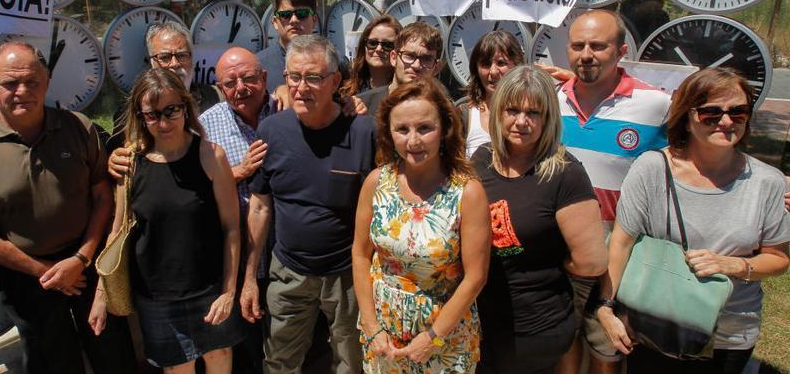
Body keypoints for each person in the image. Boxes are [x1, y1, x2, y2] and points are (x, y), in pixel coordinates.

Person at [0, 42, 136, 374]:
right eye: (10, 83)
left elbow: (103, 196)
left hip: (88, 267)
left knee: (114, 354)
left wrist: (81, 259)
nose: (22, 91)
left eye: (32, 81)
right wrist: (45, 271)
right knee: (51, 360)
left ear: (46, 82)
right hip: (26, 279)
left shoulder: (77, 127)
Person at [595, 68, 790, 374]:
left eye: (738, 112)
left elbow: (778, 259)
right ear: (687, 116)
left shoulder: (768, 182)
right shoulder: (651, 169)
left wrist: (734, 265)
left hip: (729, 333)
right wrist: (605, 307)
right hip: (656, 321)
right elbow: (620, 243)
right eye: (711, 113)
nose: (726, 122)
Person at [89, 68, 245, 373]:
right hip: (157, 297)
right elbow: (117, 232)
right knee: (177, 368)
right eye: (152, 114)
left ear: (186, 107)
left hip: (209, 289)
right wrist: (100, 296)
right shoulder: (131, 163)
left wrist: (228, 292)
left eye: (171, 110)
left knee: (219, 358)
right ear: (140, 116)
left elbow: (231, 229)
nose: (163, 123)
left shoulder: (211, 156)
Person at [241, 35, 376, 374]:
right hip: (288, 271)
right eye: (294, 77)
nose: (302, 87)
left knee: (351, 362)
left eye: (313, 77)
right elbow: (259, 207)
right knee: (279, 361)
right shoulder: (271, 131)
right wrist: (249, 277)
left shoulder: (363, 131)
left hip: (346, 275)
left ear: (335, 81)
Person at [555, 9, 671, 374]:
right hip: (560, 250)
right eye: (578, 45)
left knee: (607, 353)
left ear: (621, 50)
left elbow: (700, 150)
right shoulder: (551, 100)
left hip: (618, 253)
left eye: (598, 45)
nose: (586, 54)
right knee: (565, 344)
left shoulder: (656, 104)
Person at [471, 65, 607, 374]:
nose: (521, 121)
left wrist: (547, 263)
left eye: (534, 113)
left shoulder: (565, 173)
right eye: (513, 110)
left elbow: (592, 262)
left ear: (548, 119)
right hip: (480, 320)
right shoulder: (481, 159)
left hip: (533, 328)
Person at [352, 78, 490, 373]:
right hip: (384, 334)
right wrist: (371, 326)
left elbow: (476, 277)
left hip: (444, 336)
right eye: (402, 129)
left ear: (444, 130)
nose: (413, 141)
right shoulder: (376, 182)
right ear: (389, 133)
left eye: (424, 128)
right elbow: (361, 255)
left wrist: (432, 338)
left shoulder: (467, 191)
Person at [199, 47, 276, 374]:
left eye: (248, 78)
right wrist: (239, 171)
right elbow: (196, 184)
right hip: (236, 251)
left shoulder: (287, 109)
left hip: (284, 252)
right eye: (230, 83)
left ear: (264, 78)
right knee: (245, 346)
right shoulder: (207, 124)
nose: (240, 88)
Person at [107, 21, 221, 153]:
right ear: (151, 62)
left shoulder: (215, 97)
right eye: (165, 57)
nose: (174, 64)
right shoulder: (130, 112)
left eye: (182, 55)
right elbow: (119, 159)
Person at [457, 30, 524, 158]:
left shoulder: (532, 116)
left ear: (517, 65)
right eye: (485, 64)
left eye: (501, 63)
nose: (493, 72)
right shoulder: (465, 115)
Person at [357, 22, 444, 117]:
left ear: (436, 68)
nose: (416, 65)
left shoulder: (443, 113)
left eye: (426, 59)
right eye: (409, 56)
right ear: (393, 58)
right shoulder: (361, 106)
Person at [259, 0, 321, 92]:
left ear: (314, 20)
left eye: (302, 14)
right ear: (274, 22)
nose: (294, 20)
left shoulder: (335, 62)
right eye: (285, 15)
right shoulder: (258, 67)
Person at [341, 15, 402, 97]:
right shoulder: (348, 91)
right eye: (373, 43)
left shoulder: (404, 94)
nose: (379, 49)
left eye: (387, 45)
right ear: (364, 46)